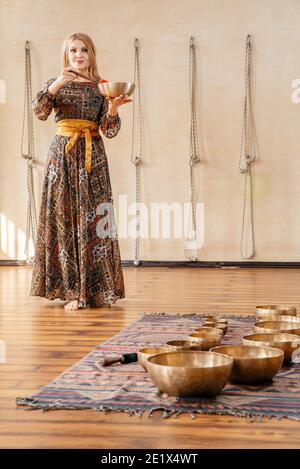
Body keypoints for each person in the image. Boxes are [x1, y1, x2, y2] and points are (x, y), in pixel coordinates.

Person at [30, 32, 132, 310]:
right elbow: (39, 111)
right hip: (62, 157)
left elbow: (110, 131)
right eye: (73, 50)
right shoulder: (56, 84)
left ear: (91, 54)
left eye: (83, 50)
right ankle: (73, 291)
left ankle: (98, 290)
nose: (78, 55)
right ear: (66, 54)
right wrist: (56, 86)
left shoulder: (102, 86)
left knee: (95, 220)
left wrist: (112, 109)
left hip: (93, 156)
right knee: (63, 217)